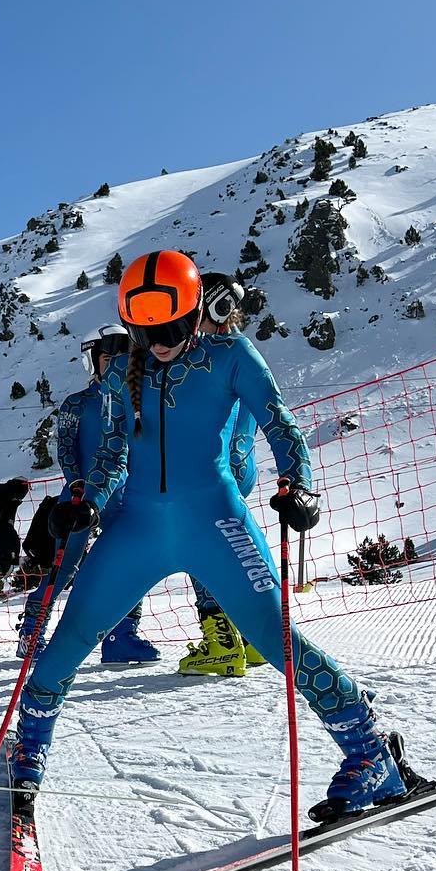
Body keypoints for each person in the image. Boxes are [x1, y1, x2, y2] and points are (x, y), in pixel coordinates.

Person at [12, 249, 416, 820]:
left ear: (196, 311)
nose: (158, 343)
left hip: (217, 522)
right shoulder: (122, 373)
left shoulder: (230, 356)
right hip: (138, 529)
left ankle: (370, 752)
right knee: (70, 640)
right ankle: (28, 751)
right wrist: (86, 502)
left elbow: (280, 423)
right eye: (145, 332)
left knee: (275, 639)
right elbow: (111, 456)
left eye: (171, 329)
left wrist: (298, 486)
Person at [17, 325, 158, 663]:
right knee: (65, 567)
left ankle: (122, 635)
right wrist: (77, 484)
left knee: (129, 563)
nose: (116, 365)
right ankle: (32, 632)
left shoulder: (136, 402)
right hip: (80, 497)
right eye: (108, 358)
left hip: (121, 496)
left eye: (123, 359)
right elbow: (66, 449)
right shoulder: (77, 404)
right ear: (93, 361)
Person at [177, 271, 268, 679]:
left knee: (196, 549)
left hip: (209, 470)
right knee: (234, 549)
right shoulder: (243, 352)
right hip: (240, 466)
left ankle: (222, 642)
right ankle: (253, 635)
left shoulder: (208, 357)